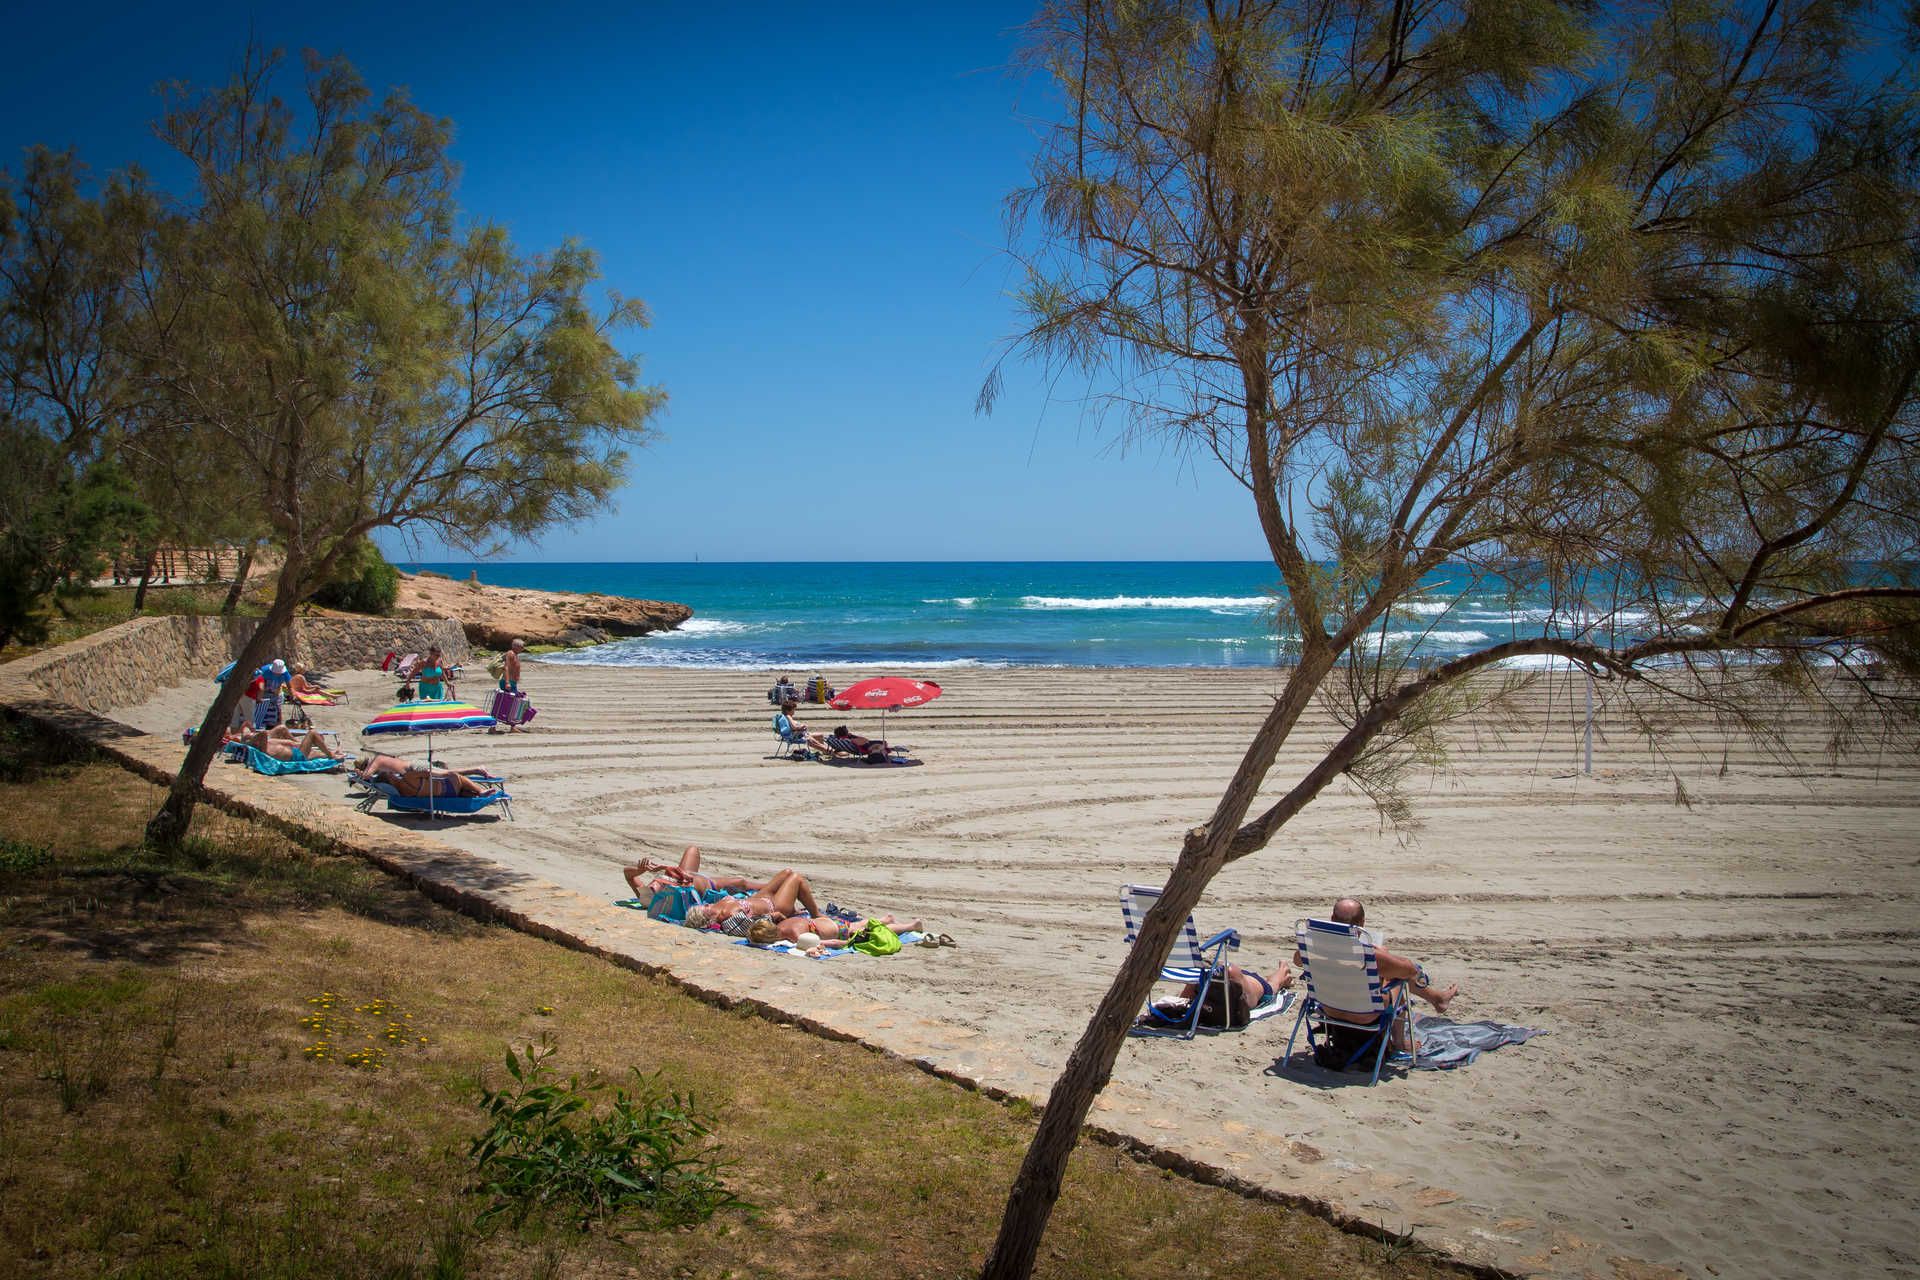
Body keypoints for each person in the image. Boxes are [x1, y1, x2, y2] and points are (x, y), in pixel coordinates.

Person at [1303, 897, 1460, 1053]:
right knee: (1396, 978)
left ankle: (1437, 999)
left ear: (1332, 920)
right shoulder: (1369, 955)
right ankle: (1399, 1042)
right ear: (1362, 923)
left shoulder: (1315, 949)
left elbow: (1298, 959)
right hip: (1364, 1015)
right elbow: (1410, 971)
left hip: (1329, 1009)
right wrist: (1383, 954)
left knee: (1384, 971)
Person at [683, 868, 829, 936]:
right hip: (774, 906)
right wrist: (773, 917)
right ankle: (816, 914)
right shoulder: (727, 915)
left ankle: (793, 909)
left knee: (787, 872)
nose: (705, 905)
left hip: (760, 897)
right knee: (796, 878)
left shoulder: (718, 905)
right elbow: (753, 926)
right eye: (703, 908)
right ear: (707, 916)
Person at [623, 844, 768, 900]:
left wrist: (639, 871)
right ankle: (773, 886)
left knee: (692, 850)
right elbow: (685, 879)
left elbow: (627, 874)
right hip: (701, 884)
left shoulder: (648, 893)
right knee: (740, 882)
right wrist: (663, 869)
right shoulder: (656, 900)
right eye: (655, 887)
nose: (654, 884)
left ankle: (775, 885)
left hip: (687, 875)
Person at [230, 724, 337, 763]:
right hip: (297, 756)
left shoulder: (265, 743)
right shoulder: (261, 750)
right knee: (312, 733)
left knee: (317, 754)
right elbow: (262, 733)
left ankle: (332, 753)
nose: (253, 734)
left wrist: (247, 738)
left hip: (295, 751)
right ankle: (330, 755)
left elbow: (246, 725)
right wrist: (249, 740)